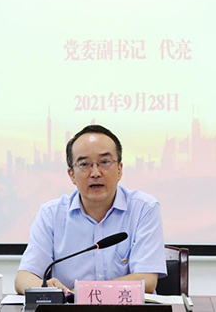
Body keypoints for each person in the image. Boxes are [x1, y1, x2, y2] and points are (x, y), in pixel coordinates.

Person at [15, 125, 167, 294]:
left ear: (119, 170)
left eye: (104, 162)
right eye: (84, 164)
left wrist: (83, 292)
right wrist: (45, 288)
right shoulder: (51, 214)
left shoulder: (144, 208)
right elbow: (24, 277)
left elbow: (146, 280)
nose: (95, 173)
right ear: (71, 175)